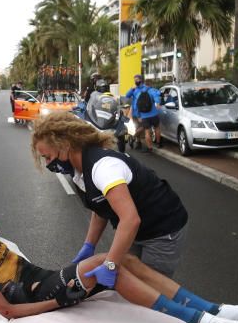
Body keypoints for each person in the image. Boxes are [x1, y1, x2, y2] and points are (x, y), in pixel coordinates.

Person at [0, 190, 238, 323]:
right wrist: (59, 302)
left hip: (49, 280)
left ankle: (214, 310)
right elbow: (6, 310)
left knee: (126, 259)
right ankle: (199, 320)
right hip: (42, 298)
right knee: (106, 263)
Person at [32, 112, 191, 278]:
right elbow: (101, 207)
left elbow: (130, 220)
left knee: (149, 288)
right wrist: (89, 245)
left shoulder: (103, 168)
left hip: (163, 229)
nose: (48, 163)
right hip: (138, 229)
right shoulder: (79, 172)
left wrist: (110, 265)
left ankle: (193, 305)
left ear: (65, 145)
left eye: (48, 157)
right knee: (127, 280)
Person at [85, 78, 126, 153]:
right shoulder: (94, 95)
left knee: (122, 129)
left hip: (109, 120)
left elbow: (117, 104)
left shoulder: (112, 96)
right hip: (97, 119)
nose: (103, 88)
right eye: (101, 87)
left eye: (104, 87)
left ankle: (122, 152)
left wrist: (120, 109)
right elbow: (89, 104)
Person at [124, 74, 162, 150]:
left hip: (140, 113)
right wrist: (158, 103)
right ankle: (140, 142)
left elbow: (128, 97)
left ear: (141, 80)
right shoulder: (145, 89)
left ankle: (134, 137)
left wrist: (138, 115)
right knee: (143, 128)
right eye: (135, 80)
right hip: (144, 113)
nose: (136, 81)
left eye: (137, 79)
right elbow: (127, 95)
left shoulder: (141, 90)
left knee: (144, 129)